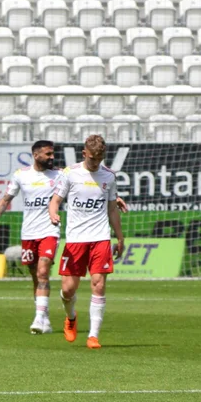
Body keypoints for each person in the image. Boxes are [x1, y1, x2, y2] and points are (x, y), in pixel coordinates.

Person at [47, 134, 124, 349]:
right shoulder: (70, 173)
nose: (95, 163)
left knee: (98, 285)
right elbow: (55, 200)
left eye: (99, 159)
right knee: (68, 289)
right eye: (92, 158)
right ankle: (71, 317)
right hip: (75, 240)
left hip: (100, 238)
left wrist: (119, 237)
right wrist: (53, 214)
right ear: (84, 154)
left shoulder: (108, 176)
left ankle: (93, 336)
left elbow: (112, 209)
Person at [0, 140, 62, 334]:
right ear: (36, 155)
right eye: (48, 154)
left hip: (50, 230)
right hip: (29, 233)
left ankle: (38, 318)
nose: (51, 157)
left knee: (43, 271)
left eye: (52, 153)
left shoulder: (60, 175)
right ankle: (43, 317)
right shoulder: (21, 175)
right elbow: (6, 199)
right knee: (35, 277)